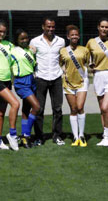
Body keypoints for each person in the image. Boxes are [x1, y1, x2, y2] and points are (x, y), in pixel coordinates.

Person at [30, 17, 65, 145]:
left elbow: (62, 58)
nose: (50, 29)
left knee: (58, 109)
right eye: (48, 26)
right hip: (40, 78)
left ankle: (57, 136)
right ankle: (39, 137)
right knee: (39, 109)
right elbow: (30, 59)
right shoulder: (35, 41)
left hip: (56, 78)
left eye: (52, 27)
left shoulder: (61, 41)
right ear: (43, 27)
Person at [0, 20, 21, 151]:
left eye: (4, 32)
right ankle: (12, 134)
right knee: (15, 104)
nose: (2, 34)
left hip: (7, 80)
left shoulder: (9, 45)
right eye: (0, 31)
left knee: (1, 112)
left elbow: (18, 54)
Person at [85, 18, 108, 147]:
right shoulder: (91, 42)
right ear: (98, 27)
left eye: (106, 27)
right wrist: (90, 65)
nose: (104, 29)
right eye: (102, 27)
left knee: (105, 107)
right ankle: (105, 135)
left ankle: (107, 136)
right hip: (98, 75)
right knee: (102, 109)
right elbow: (86, 57)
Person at [59, 25, 90, 147]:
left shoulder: (84, 50)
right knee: (73, 109)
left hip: (82, 82)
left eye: (76, 34)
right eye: (72, 35)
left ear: (79, 36)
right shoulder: (63, 51)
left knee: (80, 107)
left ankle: (81, 136)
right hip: (68, 83)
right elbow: (60, 64)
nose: (74, 36)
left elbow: (88, 63)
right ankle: (75, 136)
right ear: (68, 36)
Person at [10, 29, 40, 148]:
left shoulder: (30, 50)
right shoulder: (13, 51)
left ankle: (24, 138)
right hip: (21, 82)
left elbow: (33, 65)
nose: (24, 41)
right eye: (21, 39)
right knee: (36, 107)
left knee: (26, 108)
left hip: (31, 80)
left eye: (26, 38)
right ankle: (26, 135)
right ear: (17, 40)